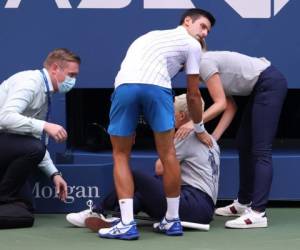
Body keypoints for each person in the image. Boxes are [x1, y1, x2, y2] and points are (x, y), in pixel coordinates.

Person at [99, 8, 216, 240]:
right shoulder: (192, 45)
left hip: (124, 88)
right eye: (202, 27)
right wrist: (199, 127)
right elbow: (193, 95)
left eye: (208, 31)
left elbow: (130, 75)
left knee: (121, 154)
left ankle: (126, 223)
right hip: (157, 89)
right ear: (187, 21)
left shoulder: (149, 36)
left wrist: (128, 122)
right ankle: (172, 221)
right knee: (168, 154)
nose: (204, 34)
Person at [66, 94, 220, 231]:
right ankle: (119, 217)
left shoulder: (186, 134)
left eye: (171, 111)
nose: (168, 115)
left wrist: (168, 139)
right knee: (146, 190)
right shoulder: (211, 139)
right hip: (203, 210)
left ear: (181, 116)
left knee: (134, 176)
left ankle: (98, 210)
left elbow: (160, 167)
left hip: (192, 204)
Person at [176, 51, 287, 229]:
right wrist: (213, 139)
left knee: (261, 150)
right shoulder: (201, 68)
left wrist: (194, 124)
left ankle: (258, 212)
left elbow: (220, 104)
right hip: (261, 86)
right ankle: (243, 202)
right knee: (244, 143)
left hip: (270, 83)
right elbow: (230, 106)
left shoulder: (204, 63)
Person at [0, 48, 81, 222]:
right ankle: (2, 198)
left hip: (5, 145)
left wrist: (54, 174)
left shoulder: (45, 91)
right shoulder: (30, 83)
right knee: (35, 148)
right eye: (71, 75)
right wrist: (45, 125)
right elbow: (5, 118)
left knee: (25, 214)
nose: (73, 81)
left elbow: (32, 141)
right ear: (54, 68)